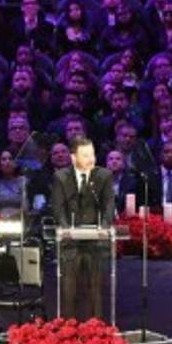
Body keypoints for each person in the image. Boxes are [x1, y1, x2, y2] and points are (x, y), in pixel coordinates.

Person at [49, 137, 115, 320]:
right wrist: (65, 229)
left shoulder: (104, 176)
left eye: (92, 154)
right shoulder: (61, 177)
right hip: (70, 240)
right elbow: (58, 207)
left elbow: (109, 204)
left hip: (96, 240)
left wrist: (104, 227)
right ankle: (69, 331)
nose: (91, 159)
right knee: (69, 289)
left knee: (95, 289)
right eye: (85, 155)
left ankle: (97, 330)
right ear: (73, 158)